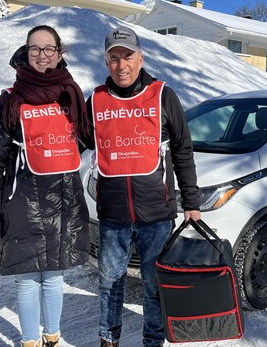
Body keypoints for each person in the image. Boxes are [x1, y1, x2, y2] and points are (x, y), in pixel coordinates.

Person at [86, 26, 202, 347]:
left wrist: (191, 201)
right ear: (106, 62)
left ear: (140, 58)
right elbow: (78, 141)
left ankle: (153, 341)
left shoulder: (163, 95)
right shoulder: (95, 100)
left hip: (157, 213)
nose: (120, 65)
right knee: (110, 281)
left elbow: (182, 148)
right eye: (113, 58)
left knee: (154, 283)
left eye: (127, 56)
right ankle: (108, 339)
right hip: (113, 214)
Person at [0, 25, 90, 347]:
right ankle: (30, 341)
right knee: (27, 278)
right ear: (26, 54)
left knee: (55, 275)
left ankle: (51, 338)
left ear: (59, 54)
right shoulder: (9, 103)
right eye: (35, 49)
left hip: (64, 200)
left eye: (49, 49)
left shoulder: (72, 98)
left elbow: (84, 141)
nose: (42, 55)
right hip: (22, 200)